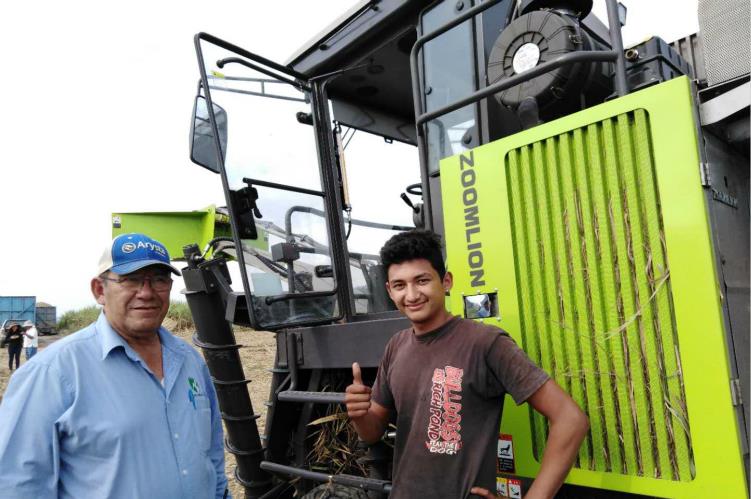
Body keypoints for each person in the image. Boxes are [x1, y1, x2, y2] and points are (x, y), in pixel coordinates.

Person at [345, 230, 589, 499]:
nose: (412, 295)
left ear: (446, 281)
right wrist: (359, 415)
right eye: (400, 285)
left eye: (422, 280)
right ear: (390, 291)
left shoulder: (485, 342)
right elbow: (372, 433)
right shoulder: (396, 346)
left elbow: (570, 419)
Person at [0, 233, 231, 499]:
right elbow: (18, 485)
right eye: (130, 279)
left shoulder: (190, 360)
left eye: (159, 279)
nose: (146, 292)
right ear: (99, 290)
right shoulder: (51, 373)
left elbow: (211, 454)